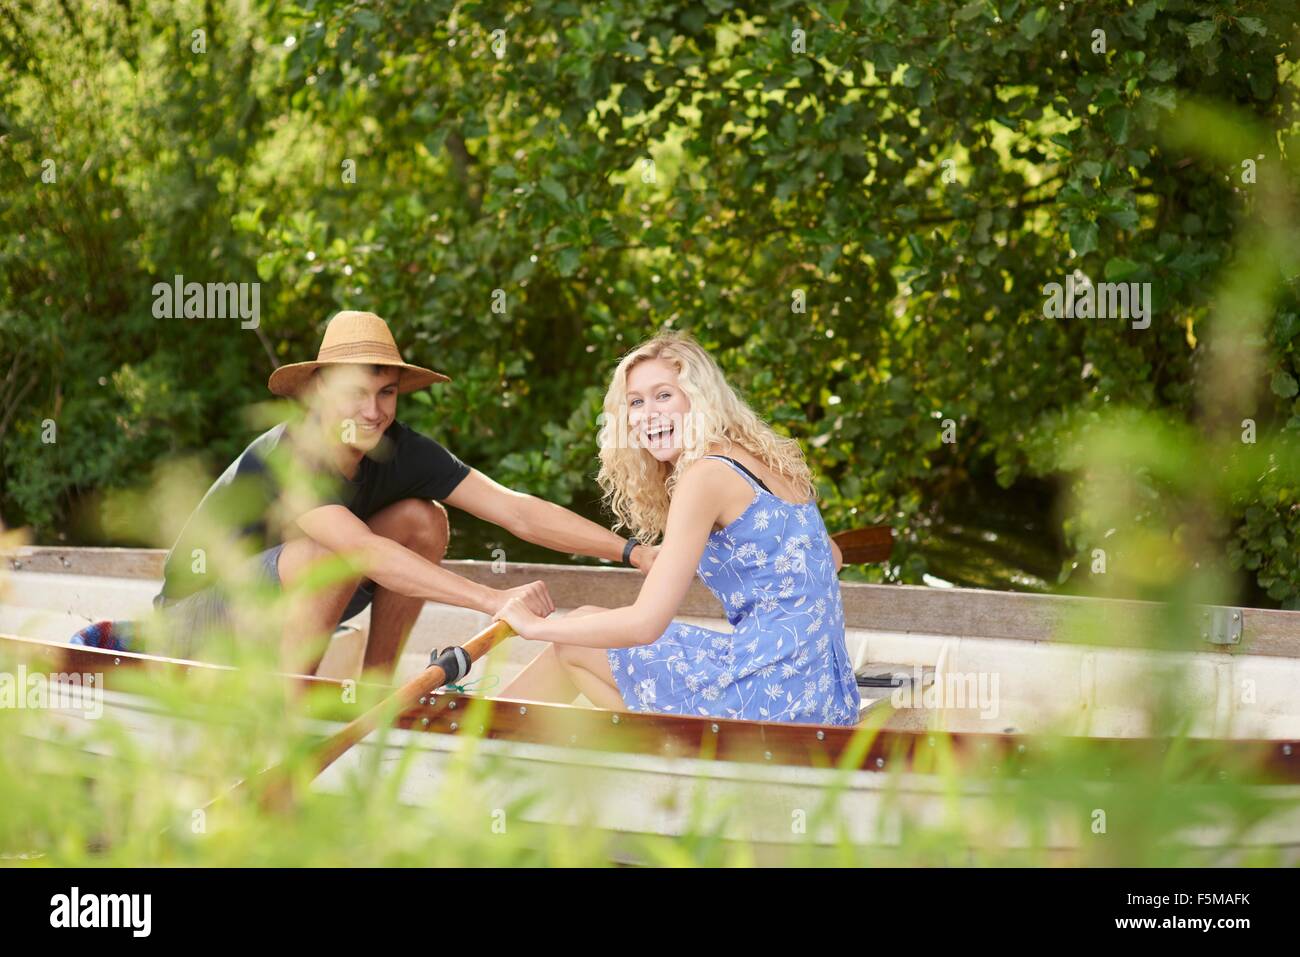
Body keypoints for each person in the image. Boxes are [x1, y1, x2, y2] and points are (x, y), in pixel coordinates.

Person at [153, 310, 656, 677]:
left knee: (424, 519)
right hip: (194, 625)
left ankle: (374, 690)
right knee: (335, 548)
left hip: (289, 610)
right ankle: (291, 710)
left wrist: (633, 552)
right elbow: (363, 550)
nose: (373, 412)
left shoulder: (400, 449)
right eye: (356, 393)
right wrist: (492, 599)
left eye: (386, 393)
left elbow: (516, 511)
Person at [496, 331, 861, 726]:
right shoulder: (763, 458)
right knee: (581, 622)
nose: (648, 413)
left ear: (698, 399)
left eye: (664, 395)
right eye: (636, 402)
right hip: (823, 692)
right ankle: (659, 750)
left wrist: (534, 626)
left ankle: (469, 742)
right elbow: (833, 558)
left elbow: (644, 624)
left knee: (568, 641)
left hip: (773, 694)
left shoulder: (705, 474)